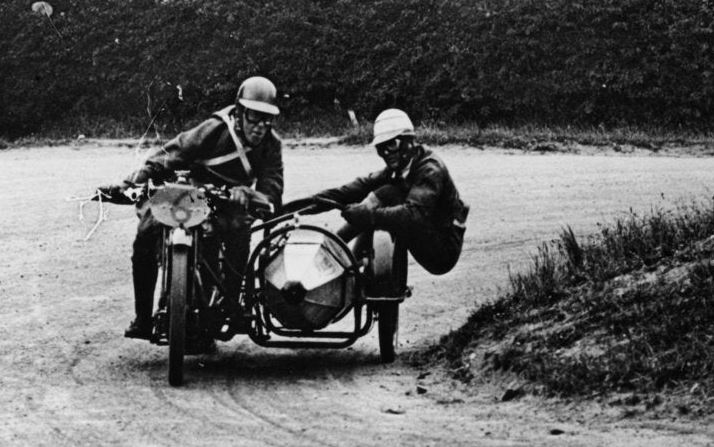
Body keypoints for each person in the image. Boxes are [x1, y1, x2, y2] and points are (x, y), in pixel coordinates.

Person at [112, 76, 284, 340]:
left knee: (240, 229)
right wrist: (132, 182)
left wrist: (249, 194)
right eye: (254, 116)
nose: (261, 126)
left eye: (267, 119)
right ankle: (143, 318)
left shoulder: (272, 145)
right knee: (147, 231)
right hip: (194, 195)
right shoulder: (214, 129)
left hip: (229, 203)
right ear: (240, 113)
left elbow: (272, 192)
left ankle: (231, 305)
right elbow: (169, 155)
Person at [290, 108, 468, 276]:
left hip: (442, 250)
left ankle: (334, 255)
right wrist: (299, 206)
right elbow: (353, 189)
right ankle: (336, 255)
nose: (386, 152)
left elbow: (414, 215)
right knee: (382, 198)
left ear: (409, 141)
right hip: (424, 231)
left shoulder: (430, 169)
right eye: (380, 148)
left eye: (391, 144)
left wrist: (369, 215)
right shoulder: (399, 167)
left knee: (388, 195)